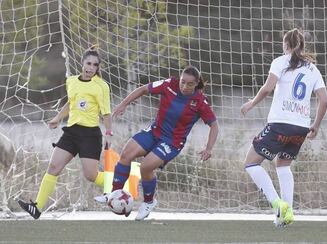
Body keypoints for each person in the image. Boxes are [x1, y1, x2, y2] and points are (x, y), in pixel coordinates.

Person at [96, 65, 218, 220]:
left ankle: (149, 202)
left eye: (190, 84)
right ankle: (113, 194)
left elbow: (214, 125)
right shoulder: (169, 84)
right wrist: (123, 104)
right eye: (183, 81)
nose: (184, 86)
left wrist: (209, 148)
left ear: (196, 84)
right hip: (154, 132)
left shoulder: (200, 102)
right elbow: (143, 89)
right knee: (126, 155)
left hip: (172, 142)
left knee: (146, 167)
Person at [240, 28, 327, 227]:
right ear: (302, 46)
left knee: (251, 163)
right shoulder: (313, 69)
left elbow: (267, 88)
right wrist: (315, 125)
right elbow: (324, 101)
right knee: (283, 165)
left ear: (286, 45)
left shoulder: (280, 62)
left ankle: (277, 204)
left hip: (280, 124)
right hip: (301, 128)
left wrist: (251, 103)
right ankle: (285, 215)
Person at [18, 46, 113, 219]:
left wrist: (109, 132)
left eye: (95, 65)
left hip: (90, 135)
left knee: (91, 175)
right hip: (71, 132)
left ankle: (119, 182)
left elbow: (106, 112)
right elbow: (71, 103)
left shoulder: (101, 86)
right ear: (82, 63)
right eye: (88, 63)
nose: (91, 67)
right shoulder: (72, 81)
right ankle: (37, 207)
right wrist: (57, 118)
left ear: (98, 67)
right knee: (54, 167)